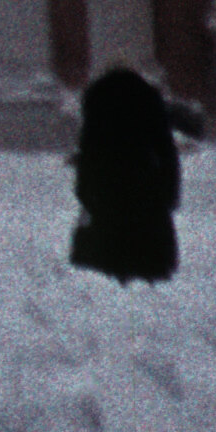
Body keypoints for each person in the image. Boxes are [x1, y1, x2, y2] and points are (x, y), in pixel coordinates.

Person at [68, 58, 183, 281]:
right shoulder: (148, 98)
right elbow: (166, 150)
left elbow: (89, 148)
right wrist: (170, 192)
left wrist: (84, 191)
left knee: (108, 238)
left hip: (107, 182)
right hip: (144, 180)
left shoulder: (97, 99)